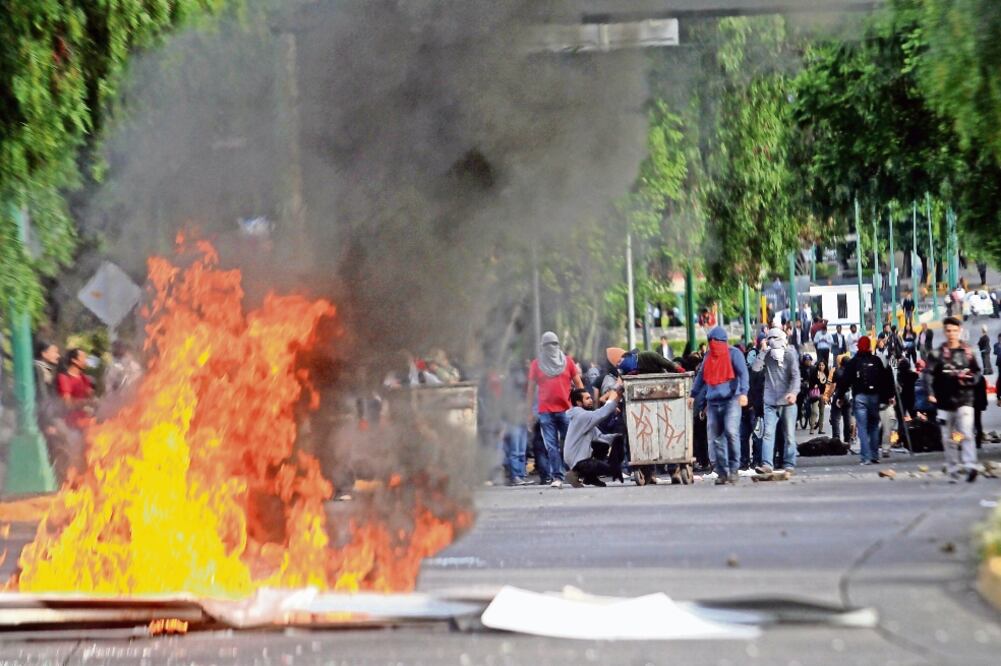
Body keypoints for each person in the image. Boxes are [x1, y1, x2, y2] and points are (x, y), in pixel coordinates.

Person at [922, 317, 981, 482]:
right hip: (945, 402)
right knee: (949, 437)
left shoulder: (968, 352)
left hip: (965, 400)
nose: (952, 334)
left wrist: (970, 379)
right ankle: (953, 469)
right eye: (948, 330)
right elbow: (928, 374)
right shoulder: (937, 354)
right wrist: (930, 393)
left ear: (960, 331)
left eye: (955, 330)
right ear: (944, 332)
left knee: (966, 432)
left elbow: (977, 373)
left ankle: (970, 466)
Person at [690, 326, 749, 485]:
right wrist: (693, 395)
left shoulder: (734, 354)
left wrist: (743, 393)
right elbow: (701, 377)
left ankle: (734, 468)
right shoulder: (708, 357)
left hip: (731, 400)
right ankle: (722, 472)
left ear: (723, 341)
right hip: (713, 402)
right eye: (710, 341)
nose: (712, 344)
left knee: (731, 432)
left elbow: (743, 374)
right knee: (716, 439)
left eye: (715, 341)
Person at [526, 332, 583, 488]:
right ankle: (557, 477)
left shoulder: (568, 362)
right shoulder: (536, 365)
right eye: (547, 344)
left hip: (566, 410)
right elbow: (530, 390)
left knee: (571, 444)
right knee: (551, 447)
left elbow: (579, 384)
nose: (551, 347)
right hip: (545, 411)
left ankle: (575, 473)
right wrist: (530, 412)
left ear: (558, 345)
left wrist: (582, 404)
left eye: (554, 344)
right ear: (542, 347)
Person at [834, 336, 894, 465]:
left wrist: (839, 397)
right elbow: (886, 379)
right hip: (875, 398)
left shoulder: (854, 362)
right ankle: (874, 455)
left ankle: (865, 457)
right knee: (873, 426)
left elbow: (845, 381)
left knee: (862, 427)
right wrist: (889, 396)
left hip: (860, 398)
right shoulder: (877, 360)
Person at [751, 328, 801, 475]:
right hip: (770, 400)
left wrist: (793, 393)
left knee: (789, 435)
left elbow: (796, 376)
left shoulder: (790, 354)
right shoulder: (767, 354)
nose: (773, 341)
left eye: (775, 338)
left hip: (788, 402)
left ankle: (789, 464)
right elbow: (755, 368)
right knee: (768, 433)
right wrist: (762, 351)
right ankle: (767, 464)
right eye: (770, 338)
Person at [563, 387, 625, 487]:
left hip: (581, 460)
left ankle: (589, 477)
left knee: (605, 444)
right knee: (612, 470)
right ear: (579, 403)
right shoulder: (581, 416)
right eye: (587, 399)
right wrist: (617, 397)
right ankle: (575, 472)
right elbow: (601, 414)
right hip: (579, 462)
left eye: (590, 398)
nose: (591, 400)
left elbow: (600, 438)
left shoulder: (582, 417)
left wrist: (617, 437)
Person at [829, 354, 853, 444]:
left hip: (839, 395)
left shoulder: (837, 371)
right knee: (847, 418)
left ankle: (836, 437)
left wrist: (829, 396)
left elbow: (833, 385)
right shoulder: (851, 372)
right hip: (849, 396)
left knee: (835, 417)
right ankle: (847, 438)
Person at [808, 359, 829, 435]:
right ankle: (812, 429)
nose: (821, 366)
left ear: (825, 366)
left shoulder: (827, 374)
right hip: (815, 395)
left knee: (822, 412)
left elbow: (828, 385)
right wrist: (814, 385)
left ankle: (820, 429)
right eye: (820, 365)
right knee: (814, 412)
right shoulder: (814, 373)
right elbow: (810, 383)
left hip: (823, 395)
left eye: (823, 365)